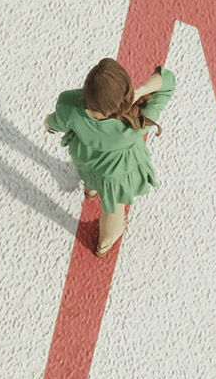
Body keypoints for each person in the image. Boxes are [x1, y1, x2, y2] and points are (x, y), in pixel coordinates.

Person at [44, 58, 176, 255]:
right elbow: (168, 81)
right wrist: (139, 92)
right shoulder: (138, 119)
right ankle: (104, 242)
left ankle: (90, 191)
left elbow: (56, 122)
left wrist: (49, 122)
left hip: (85, 158)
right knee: (113, 209)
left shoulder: (70, 104)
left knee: (89, 176)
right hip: (116, 175)